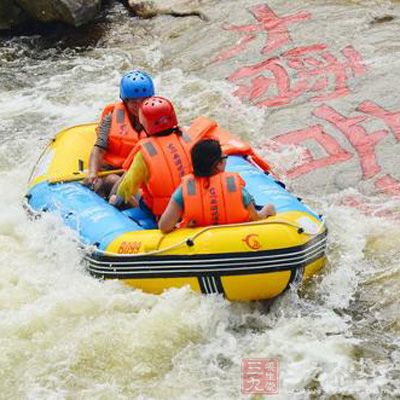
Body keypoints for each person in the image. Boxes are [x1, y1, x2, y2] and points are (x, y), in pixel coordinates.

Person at [158, 139, 276, 233]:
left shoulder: (184, 190)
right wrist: (267, 211)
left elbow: (164, 226)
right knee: (268, 207)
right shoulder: (234, 187)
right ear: (218, 164)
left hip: (199, 243)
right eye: (224, 158)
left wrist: (181, 226)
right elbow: (256, 219)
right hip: (238, 239)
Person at [109, 96, 193, 217]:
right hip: (193, 203)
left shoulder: (146, 152)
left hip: (163, 212)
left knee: (125, 190)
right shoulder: (186, 138)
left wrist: (116, 201)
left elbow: (128, 185)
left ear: (145, 123)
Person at [83, 69, 155, 198]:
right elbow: (99, 149)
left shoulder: (157, 117)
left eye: (143, 100)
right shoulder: (111, 118)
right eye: (134, 102)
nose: (139, 106)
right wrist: (92, 173)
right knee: (112, 180)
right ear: (125, 101)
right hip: (113, 170)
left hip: (139, 171)